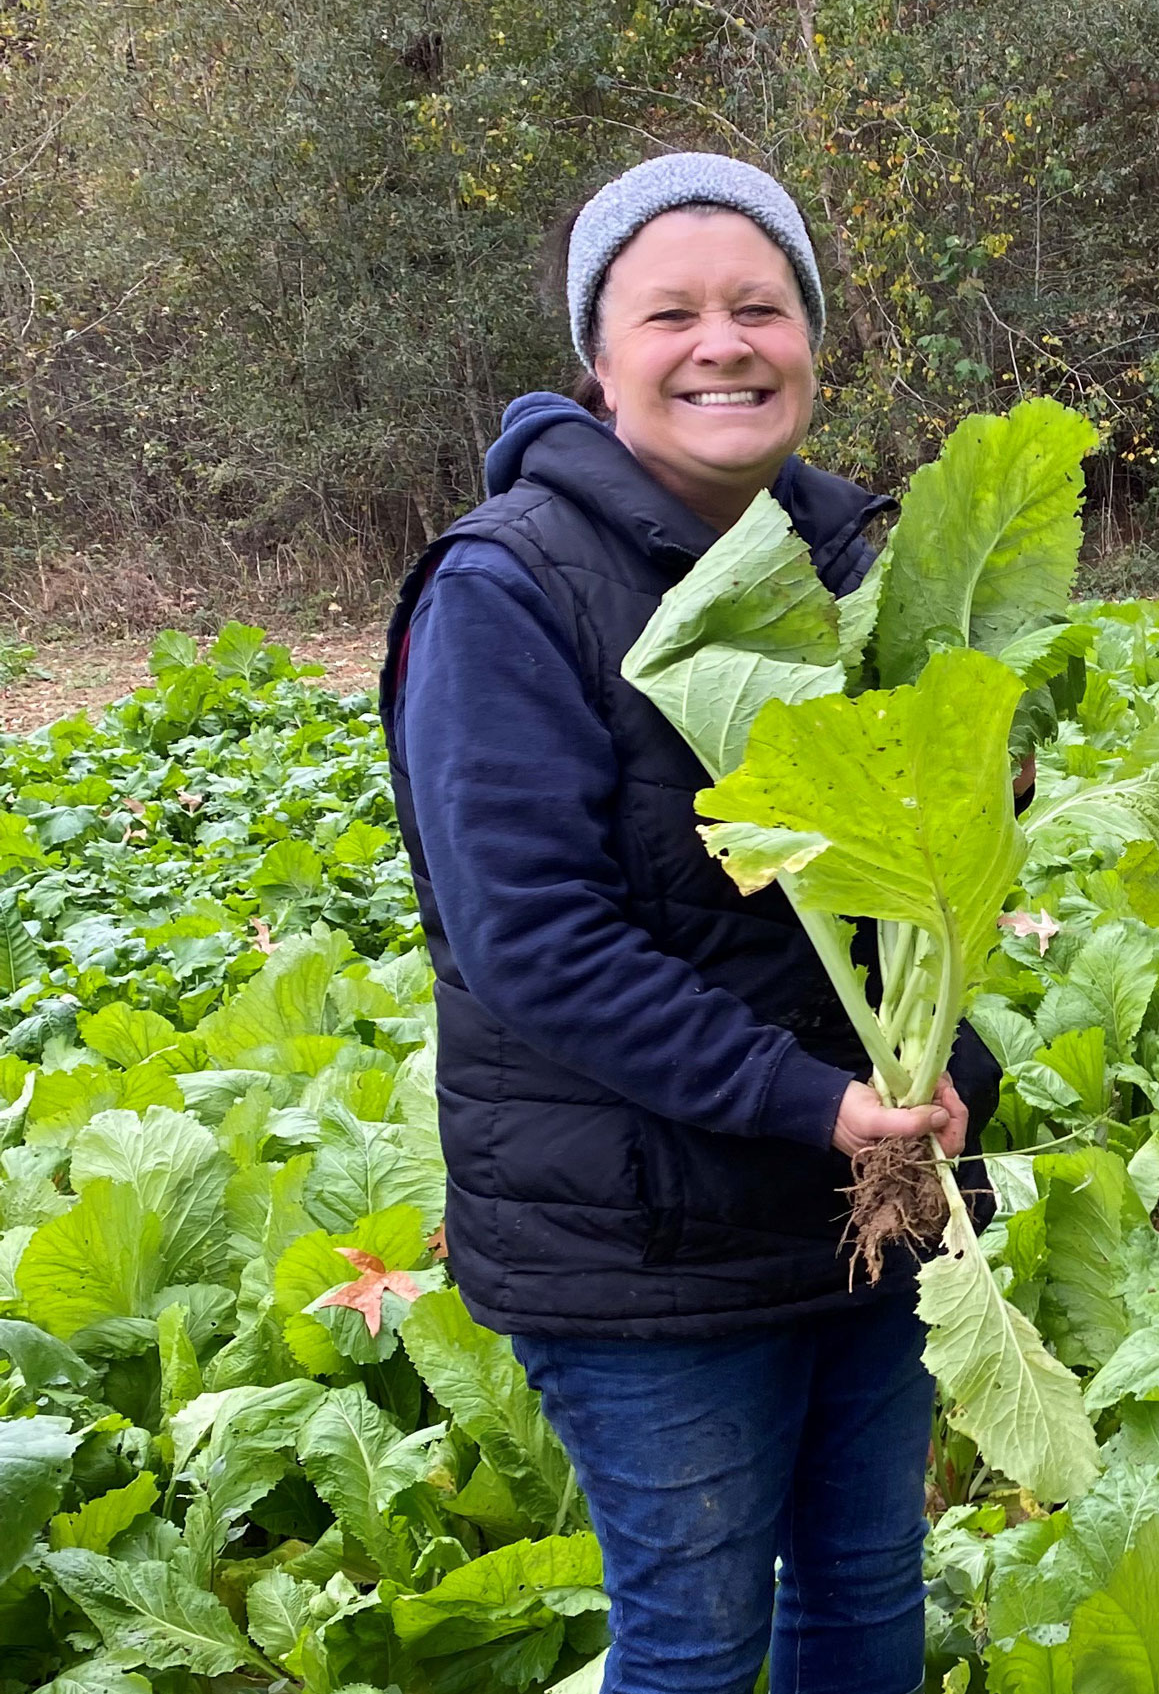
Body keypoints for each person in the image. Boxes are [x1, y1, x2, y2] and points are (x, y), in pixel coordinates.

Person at [381, 153, 999, 1694]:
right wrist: (820, 1101)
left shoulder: (855, 563)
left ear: (808, 340)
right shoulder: (509, 588)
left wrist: (951, 1055)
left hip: (866, 1205)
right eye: (673, 312)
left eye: (760, 306)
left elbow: (913, 884)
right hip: (644, 1237)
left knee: (865, 1597)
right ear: (600, 359)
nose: (724, 341)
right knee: (696, 1640)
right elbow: (535, 939)